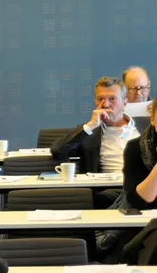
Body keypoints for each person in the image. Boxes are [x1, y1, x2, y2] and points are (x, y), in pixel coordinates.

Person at [52, 77, 138, 209]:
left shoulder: (146, 126)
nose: (105, 104)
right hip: (111, 189)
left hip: (144, 185)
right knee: (107, 198)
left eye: (112, 99)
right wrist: (90, 125)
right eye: (100, 99)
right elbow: (58, 150)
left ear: (125, 103)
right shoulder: (89, 133)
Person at [124, 66, 151, 130]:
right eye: (133, 89)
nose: (138, 93)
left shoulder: (155, 110)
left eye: (142, 88)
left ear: (148, 85)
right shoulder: (115, 111)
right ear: (123, 88)